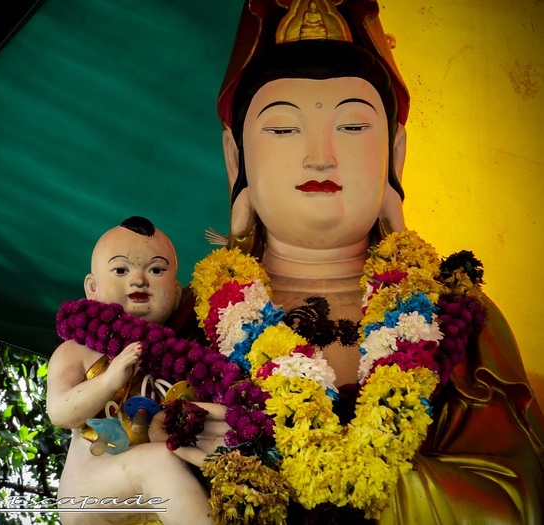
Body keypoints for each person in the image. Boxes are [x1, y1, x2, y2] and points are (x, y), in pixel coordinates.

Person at [157, 0, 543, 523]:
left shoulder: (461, 317)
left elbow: (518, 501)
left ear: (395, 152)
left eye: (354, 127)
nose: (321, 156)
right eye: (283, 129)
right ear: (235, 157)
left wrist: (335, 484)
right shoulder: (184, 324)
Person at [46, 216, 214, 525]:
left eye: (156, 270)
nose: (139, 280)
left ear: (176, 293)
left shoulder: (185, 358)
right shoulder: (77, 349)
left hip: (165, 489)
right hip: (91, 490)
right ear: (92, 288)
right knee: (157, 462)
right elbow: (60, 412)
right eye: (121, 270)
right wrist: (109, 380)